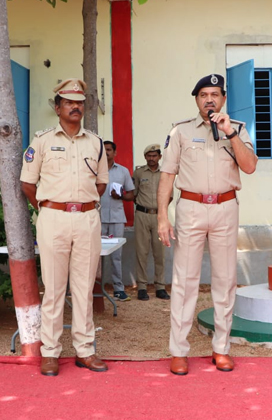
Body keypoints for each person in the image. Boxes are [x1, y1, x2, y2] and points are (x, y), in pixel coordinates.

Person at [157, 74, 258, 375]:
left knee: (225, 281)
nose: (209, 99)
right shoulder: (181, 132)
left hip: (226, 207)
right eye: (203, 95)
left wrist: (230, 134)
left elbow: (250, 167)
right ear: (197, 100)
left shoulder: (237, 129)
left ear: (223, 98)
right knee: (185, 281)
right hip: (190, 207)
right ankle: (178, 350)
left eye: (215, 94)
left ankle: (221, 348)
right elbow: (167, 175)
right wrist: (163, 215)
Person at [20, 78, 109, 377]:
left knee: (84, 288)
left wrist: (81, 206)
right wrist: (48, 209)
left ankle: (85, 351)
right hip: (53, 219)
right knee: (54, 289)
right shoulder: (42, 142)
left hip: (86, 218)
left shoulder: (95, 143)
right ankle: (50, 352)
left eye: (79, 102)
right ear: (57, 107)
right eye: (69, 102)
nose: (75, 106)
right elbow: (27, 183)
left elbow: (101, 183)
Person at [132, 144, 170, 301]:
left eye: (154, 155)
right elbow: (134, 193)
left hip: (159, 216)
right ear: (145, 157)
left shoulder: (165, 174)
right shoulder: (139, 173)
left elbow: (170, 195)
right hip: (142, 214)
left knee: (159, 253)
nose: (151, 158)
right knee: (141, 252)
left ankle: (160, 286)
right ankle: (142, 287)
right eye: (149, 155)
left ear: (160, 157)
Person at [99, 141, 135, 302]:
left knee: (116, 256)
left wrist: (119, 195)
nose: (106, 152)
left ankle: (118, 289)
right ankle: (93, 288)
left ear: (114, 153)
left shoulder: (123, 172)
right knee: (93, 255)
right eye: (103, 150)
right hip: (96, 219)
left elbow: (131, 195)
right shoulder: (93, 171)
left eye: (108, 150)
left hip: (116, 219)